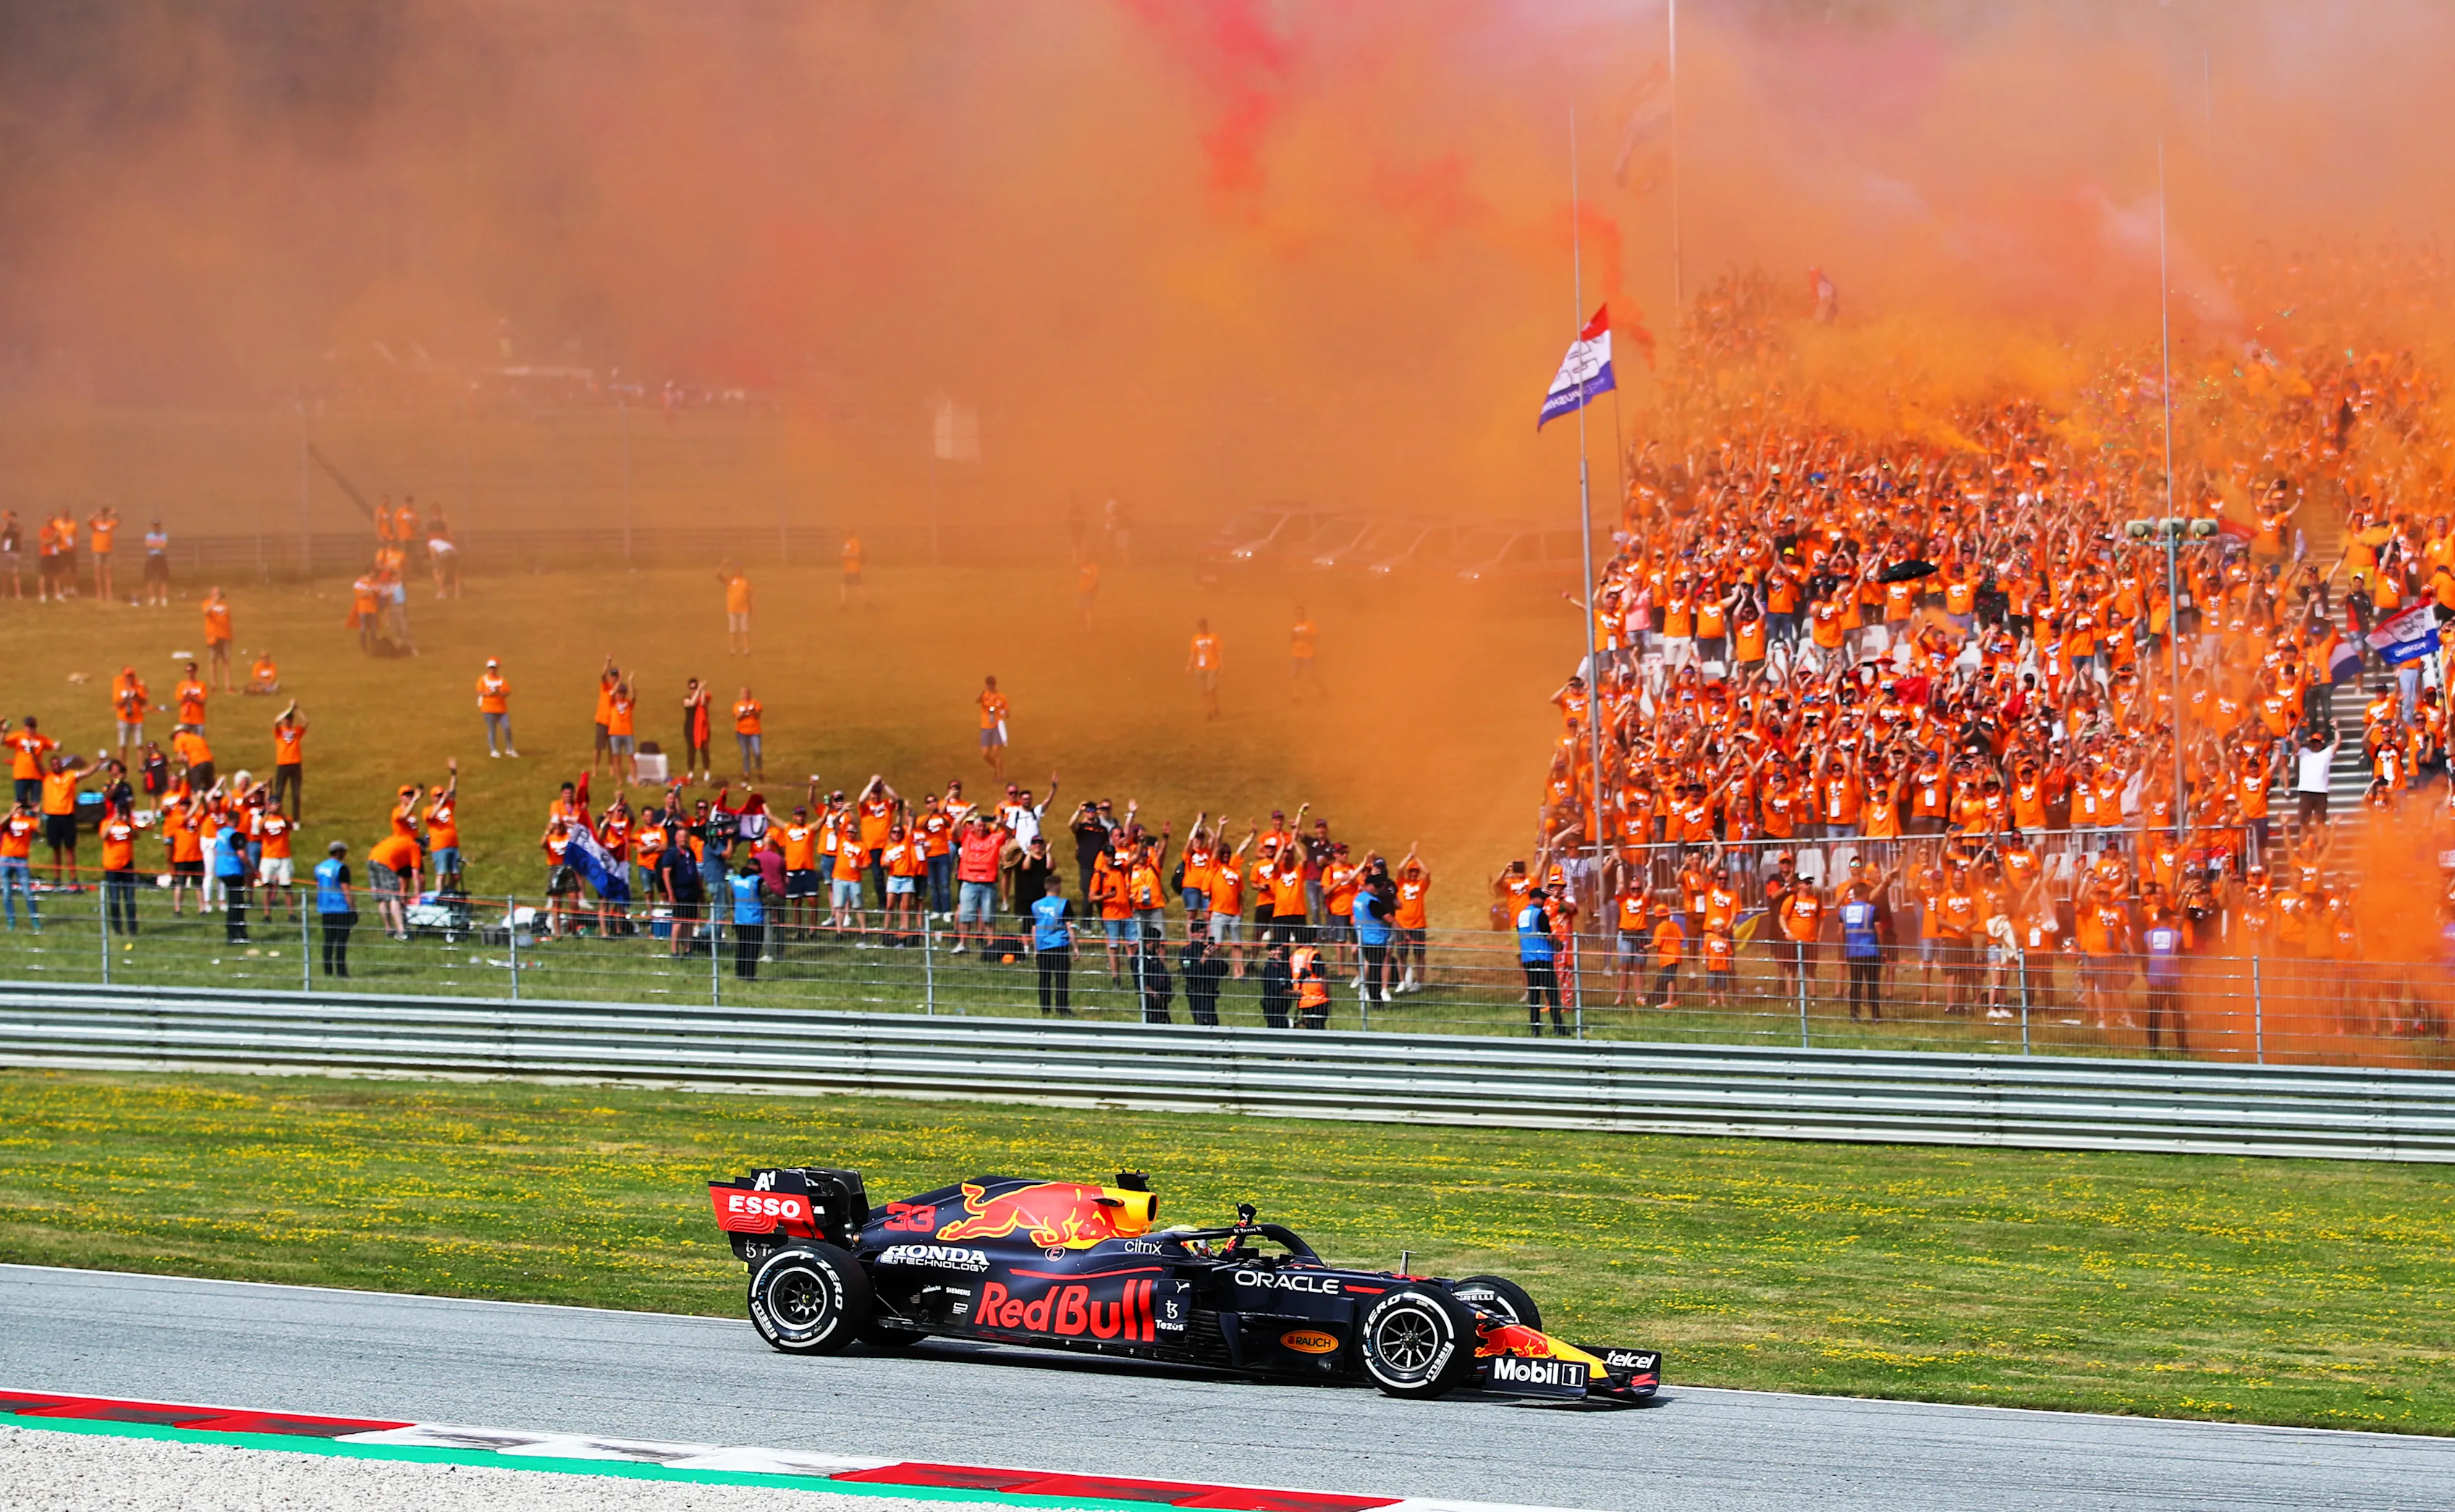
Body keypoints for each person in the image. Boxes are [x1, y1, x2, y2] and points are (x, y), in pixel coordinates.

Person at [1517, 884, 1565, 1036]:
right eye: (1542, 899)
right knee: (1552, 993)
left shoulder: (1521, 915)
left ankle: (1535, 1028)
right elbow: (1548, 935)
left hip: (1528, 959)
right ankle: (1558, 1027)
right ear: (1535, 898)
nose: (1544, 902)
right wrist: (1559, 944)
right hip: (1543, 957)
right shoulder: (1539, 914)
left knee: (1534, 995)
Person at [39, 753, 89, 884]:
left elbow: (86, 773)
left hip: (68, 816)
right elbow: (38, 766)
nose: (57, 766)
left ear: (62, 764)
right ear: (51, 766)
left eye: (58, 763)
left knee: (70, 848)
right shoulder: (47, 777)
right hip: (53, 817)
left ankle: (73, 877)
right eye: (54, 764)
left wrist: (99, 764)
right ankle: (57, 877)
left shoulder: (70, 776)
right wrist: (33, 753)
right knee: (56, 848)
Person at [1839, 882, 1884, 1022]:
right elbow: (1880, 931)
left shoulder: (1844, 911)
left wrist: (1844, 949)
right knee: (1872, 984)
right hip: (1871, 951)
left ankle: (1854, 1016)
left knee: (1855, 984)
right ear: (1864, 894)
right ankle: (1875, 1016)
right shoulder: (1872, 909)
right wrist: (1883, 949)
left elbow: (1840, 932)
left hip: (1853, 952)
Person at [1031, 873, 1074, 1016]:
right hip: (1059, 944)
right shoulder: (1063, 904)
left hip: (1042, 945)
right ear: (1057, 887)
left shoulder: (1035, 905)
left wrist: (1035, 948)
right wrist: (1076, 947)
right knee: (1061, 978)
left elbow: (1034, 928)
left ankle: (1045, 1009)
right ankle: (1062, 1008)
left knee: (1044, 979)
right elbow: (1069, 926)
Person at [98, 803, 144, 937]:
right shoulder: (106, 823)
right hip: (112, 866)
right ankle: (117, 928)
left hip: (127, 865)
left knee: (130, 899)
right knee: (114, 899)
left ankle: (132, 929)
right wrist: (113, 821)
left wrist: (128, 823)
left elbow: (137, 836)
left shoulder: (129, 823)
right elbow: (103, 836)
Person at [314, 842, 355, 977]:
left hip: (325, 908)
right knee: (341, 942)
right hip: (340, 907)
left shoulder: (320, 868)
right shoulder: (341, 868)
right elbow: (346, 891)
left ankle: (327, 970)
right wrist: (353, 909)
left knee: (328, 941)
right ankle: (341, 971)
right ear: (339, 852)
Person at [0, 800, 38, 932]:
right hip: (5, 858)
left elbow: (40, 828)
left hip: (21, 860)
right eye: (18, 806)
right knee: (7, 892)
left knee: (27, 891)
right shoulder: (7, 818)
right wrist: (11, 812)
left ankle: (35, 919)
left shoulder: (29, 820)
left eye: (22, 807)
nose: (19, 809)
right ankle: (11, 920)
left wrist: (37, 814)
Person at [727, 856, 767, 979]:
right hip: (755, 919)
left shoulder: (735, 880)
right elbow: (767, 897)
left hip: (739, 919)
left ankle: (739, 973)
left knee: (742, 947)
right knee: (753, 948)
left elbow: (731, 899)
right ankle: (749, 975)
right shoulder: (757, 881)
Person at [269, 701, 305, 818]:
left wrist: (297, 710)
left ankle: (296, 820)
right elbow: (276, 721)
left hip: (295, 764)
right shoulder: (279, 732)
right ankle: (277, 815)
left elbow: (306, 722)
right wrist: (288, 709)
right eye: (287, 719)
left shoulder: (296, 731)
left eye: (290, 719)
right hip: (282, 764)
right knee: (279, 793)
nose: (288, 721)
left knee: (296, 794)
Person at [476, 659, 516, 758]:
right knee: (492, 730)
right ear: (488, 669)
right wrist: (488, 694)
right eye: (490, 668)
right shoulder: (483, 679)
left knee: (507, 728)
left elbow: (508, 692)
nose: (492, 670)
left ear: (496, 668)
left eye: (494, 668)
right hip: (488, 709)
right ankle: (493, 750)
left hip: (501, 709)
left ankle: (510, 749)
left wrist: (500, 693)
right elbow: (479, 691)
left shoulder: (501, 680)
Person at [1188, 619, 1223, 721]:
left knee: (1211, 689)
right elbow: (1193, 654)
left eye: (1203, 626)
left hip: (1212, 667)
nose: (1202, 628)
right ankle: (1208, 711)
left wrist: (1222, 666)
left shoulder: (1214, 637)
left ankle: (1216, 707)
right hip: (1200, 667)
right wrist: (1189, 666)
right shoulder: (1195, 639)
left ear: (1206, 626)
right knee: (1204, 691)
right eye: (1200, 627)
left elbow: (1220, 652)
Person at [202, 586, 235, 693]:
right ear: (211, 594)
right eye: (215, 593)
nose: (217, 595)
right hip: (213, 637)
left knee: (226, 661)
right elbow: (206, 612)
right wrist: (214, 602)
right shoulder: (206, 603)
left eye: (219, 593)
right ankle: (213, 685)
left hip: (225, 636)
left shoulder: (225, 605)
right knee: (213, 661)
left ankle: (228, 686)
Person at [977, 676, 1009, 784]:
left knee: (996, 752)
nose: (991, 686)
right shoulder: (984, 696)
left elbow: (1007, 712)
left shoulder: (1001, 697)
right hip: (985, 727)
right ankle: (997, 767)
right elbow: (977, 701)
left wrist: (1005, 713)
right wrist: (980, 695)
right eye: (989, 684)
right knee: (985, 754)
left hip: (997, 727)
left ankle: (999, 776)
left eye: (992, 684)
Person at [681, 678, 714, 785]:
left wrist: (702, 690)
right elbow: (691, 703)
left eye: (695, 688)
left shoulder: (702, 699)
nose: (694, 690)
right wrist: (699, 690)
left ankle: (707, 771)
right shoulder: (686, 699)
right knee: (691, 750)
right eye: (692, 688)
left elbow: (703, 703)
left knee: (704, 751)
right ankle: (691, 772)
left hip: (702, 728)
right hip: (690, 728)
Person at [88, 505, 117, 601]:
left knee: (108, 572)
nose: (104, 516)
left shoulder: (110, 523)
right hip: (97, 550)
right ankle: (99, 593)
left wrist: (114, 514)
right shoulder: (96, 523)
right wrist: (97, 513)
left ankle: (109, 593)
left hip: (108, 550)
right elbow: (88, 521)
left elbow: (119, 522)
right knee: (98, 572)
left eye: (105, 514)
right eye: (103, 514)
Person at [733, 686, 764, 780]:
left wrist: (753, 711)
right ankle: (746, 774)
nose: (745, 695)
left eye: (747, 693)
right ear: (741, 695)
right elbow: (737, 717)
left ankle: (759, 772)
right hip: (742, 733)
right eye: (743, 693)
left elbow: (758, 716)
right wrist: (743, 713)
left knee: (757, 752)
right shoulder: (737, 705)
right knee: (746, 754)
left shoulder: (755, 703)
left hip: (755, 732)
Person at [1289, 607, 1319, 701]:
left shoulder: (1310, 624)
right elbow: (1291, 639)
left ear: (1304, 614)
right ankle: (1296, 696)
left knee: (1312, 676)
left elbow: (1315, 639)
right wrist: (1294, 637)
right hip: (1296, 654)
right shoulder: (1294, 625)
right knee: (1294, 675)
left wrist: (1304, 636)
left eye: (1301, 614)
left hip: (1308, 654)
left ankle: (1321, 691)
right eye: (1297, 614)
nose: (1299, 616)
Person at [141, 520, 170, 607]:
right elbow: (147, 545)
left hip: (161, 557)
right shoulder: (149, 535)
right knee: (150, 578)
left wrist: (154, 544)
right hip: (152, 557)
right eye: (155, 525)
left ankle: (163, 598)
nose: (156, 527)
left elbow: (164, 546)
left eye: (157, 525)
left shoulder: (164, 535)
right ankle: (152, 598)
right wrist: (158, 544)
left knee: (163, 578)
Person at [838, 533, 863, 607]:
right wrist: (843, 554)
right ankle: (843, 604)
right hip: (848, 569)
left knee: (859, 586)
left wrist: (845, 555)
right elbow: (845, 551)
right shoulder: (848, 543)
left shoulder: (855, 542)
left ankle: (868, 602)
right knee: (844, 586)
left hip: (853, 568)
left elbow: (857, 555)